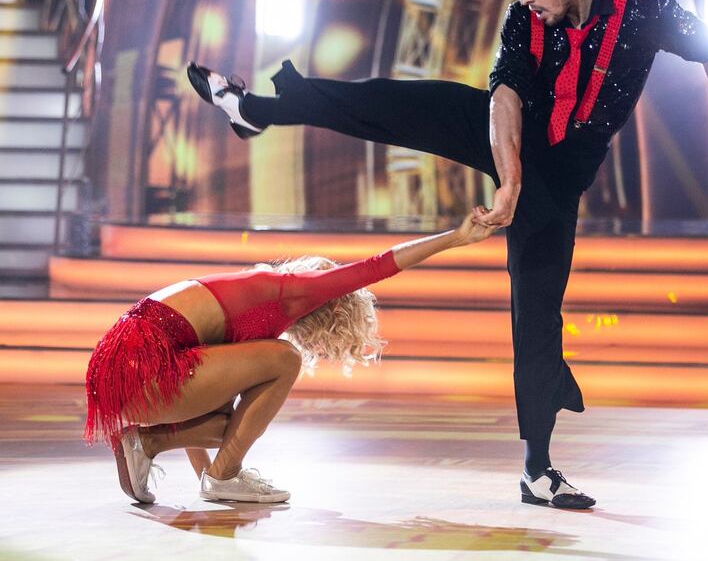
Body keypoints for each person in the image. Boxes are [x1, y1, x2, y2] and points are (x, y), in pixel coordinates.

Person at [187, 0, 708, 510]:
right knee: (399, 101)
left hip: (556, 181)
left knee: (536, 315)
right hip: (507, 141)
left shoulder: (645, 15)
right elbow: (505, 96)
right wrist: (508, 175)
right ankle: (254, 110)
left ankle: (538, 471)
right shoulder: (525, 20)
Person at [85, 210, 498, 504]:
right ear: (334, 308)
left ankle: (158, 446)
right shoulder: (298, 288)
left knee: (234, 426)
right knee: (285, 359)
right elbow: (379, 266)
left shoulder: (248, 306)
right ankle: (175, 454)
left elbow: (208, 399)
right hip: (142, 371)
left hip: (120, 376)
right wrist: (456, 237)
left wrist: (211, 480)